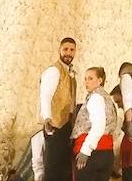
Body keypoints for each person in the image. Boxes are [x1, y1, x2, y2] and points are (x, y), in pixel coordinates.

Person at [39, 37, 77, 181]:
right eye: (65, 49)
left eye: (72, 50)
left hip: (67, 125)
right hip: (54, 125)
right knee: (53, 166)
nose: (68, 53)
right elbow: (45, 96)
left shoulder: (71, 73)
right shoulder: (54, 71)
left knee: (64, 167)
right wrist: (47, 118)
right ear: (59, 50)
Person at [71, 67, 118, 180]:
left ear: (100, 80)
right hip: (106, 153)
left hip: (92, 153)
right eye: (86, 79)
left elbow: (98, 126)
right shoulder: (108, 99)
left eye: (90, 78)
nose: (86, 82)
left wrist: (85, 150)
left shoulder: (95, 97)